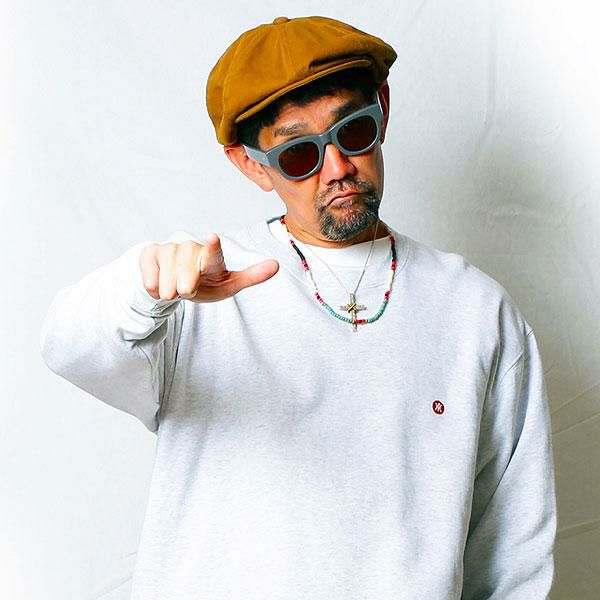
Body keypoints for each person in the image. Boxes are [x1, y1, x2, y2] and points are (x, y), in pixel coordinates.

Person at [40, 15, 557, 600]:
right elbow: (65, 347)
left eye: (354, 131)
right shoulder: (199, 291)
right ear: (250, 164)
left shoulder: (476, 310)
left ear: (383, 110)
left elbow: (514, 553)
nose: (337, 169)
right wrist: (143, 288)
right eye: (298, 155)